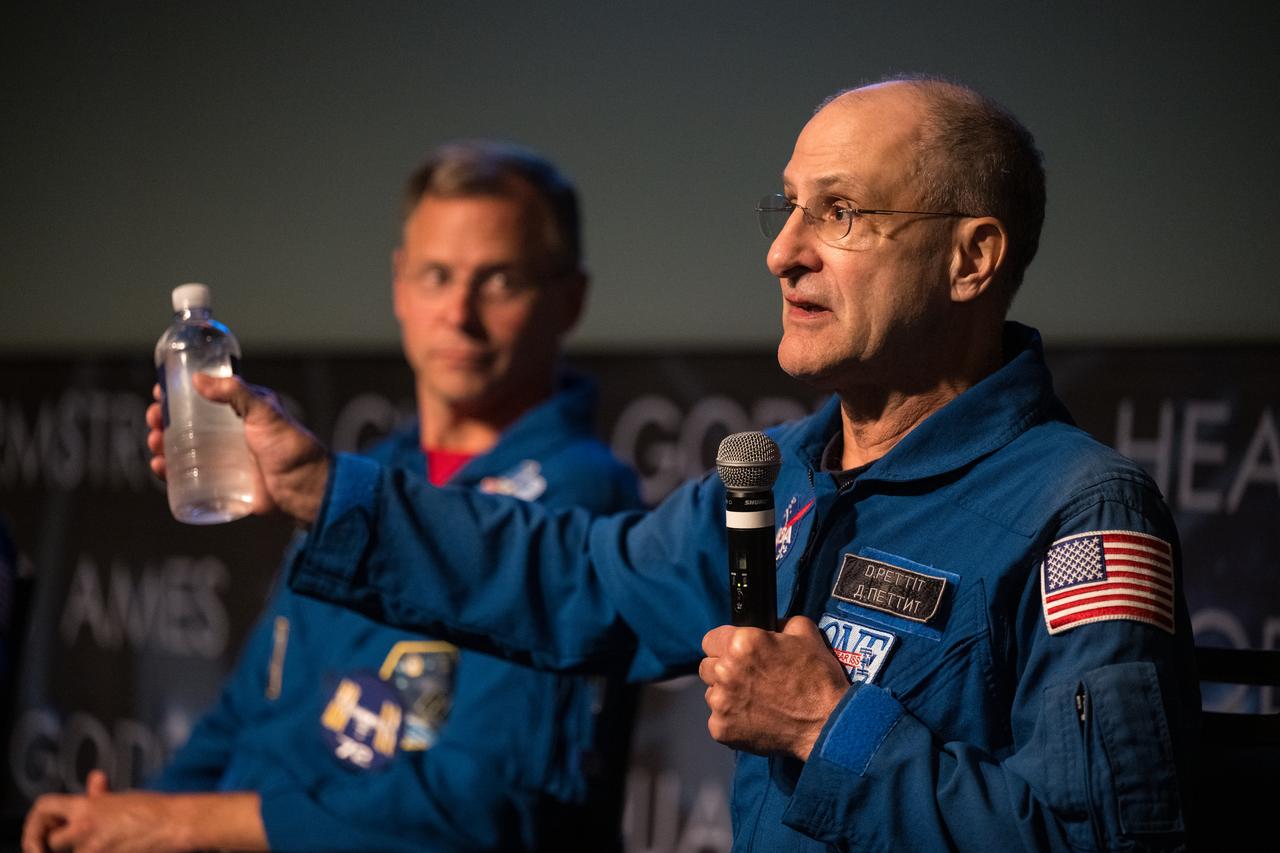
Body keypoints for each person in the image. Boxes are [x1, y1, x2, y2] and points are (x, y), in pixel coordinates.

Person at [145, 77, 1196, 850]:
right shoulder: (778, 476)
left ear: (971, 258)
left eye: (839, 212)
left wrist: (833, 728)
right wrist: (321, 486)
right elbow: (576, 580)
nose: (783, 249)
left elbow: (1107, 841)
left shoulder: (1080, 510)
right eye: (785, 207)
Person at [23, 141, 642, 853]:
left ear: (570, 300)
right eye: (437, 276)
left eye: (500, 281)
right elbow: (247, 717)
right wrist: (127, 816)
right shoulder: (360, 480)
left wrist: (183, 824)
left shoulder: (580, 502)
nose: (459, 314)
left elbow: (482, 807)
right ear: (400, 286)